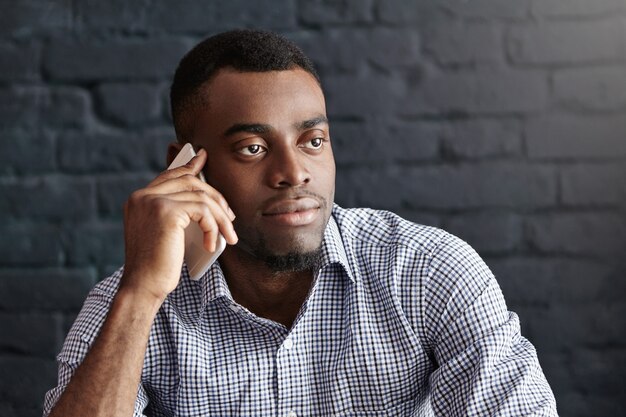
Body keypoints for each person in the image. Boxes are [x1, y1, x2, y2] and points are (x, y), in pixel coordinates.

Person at [43, 29, 557, 417]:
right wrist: (139, 295)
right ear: (187, 167)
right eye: (252, 148)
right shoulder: (132, 305)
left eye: (312, 141)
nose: (293, 173)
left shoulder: (426, 272)